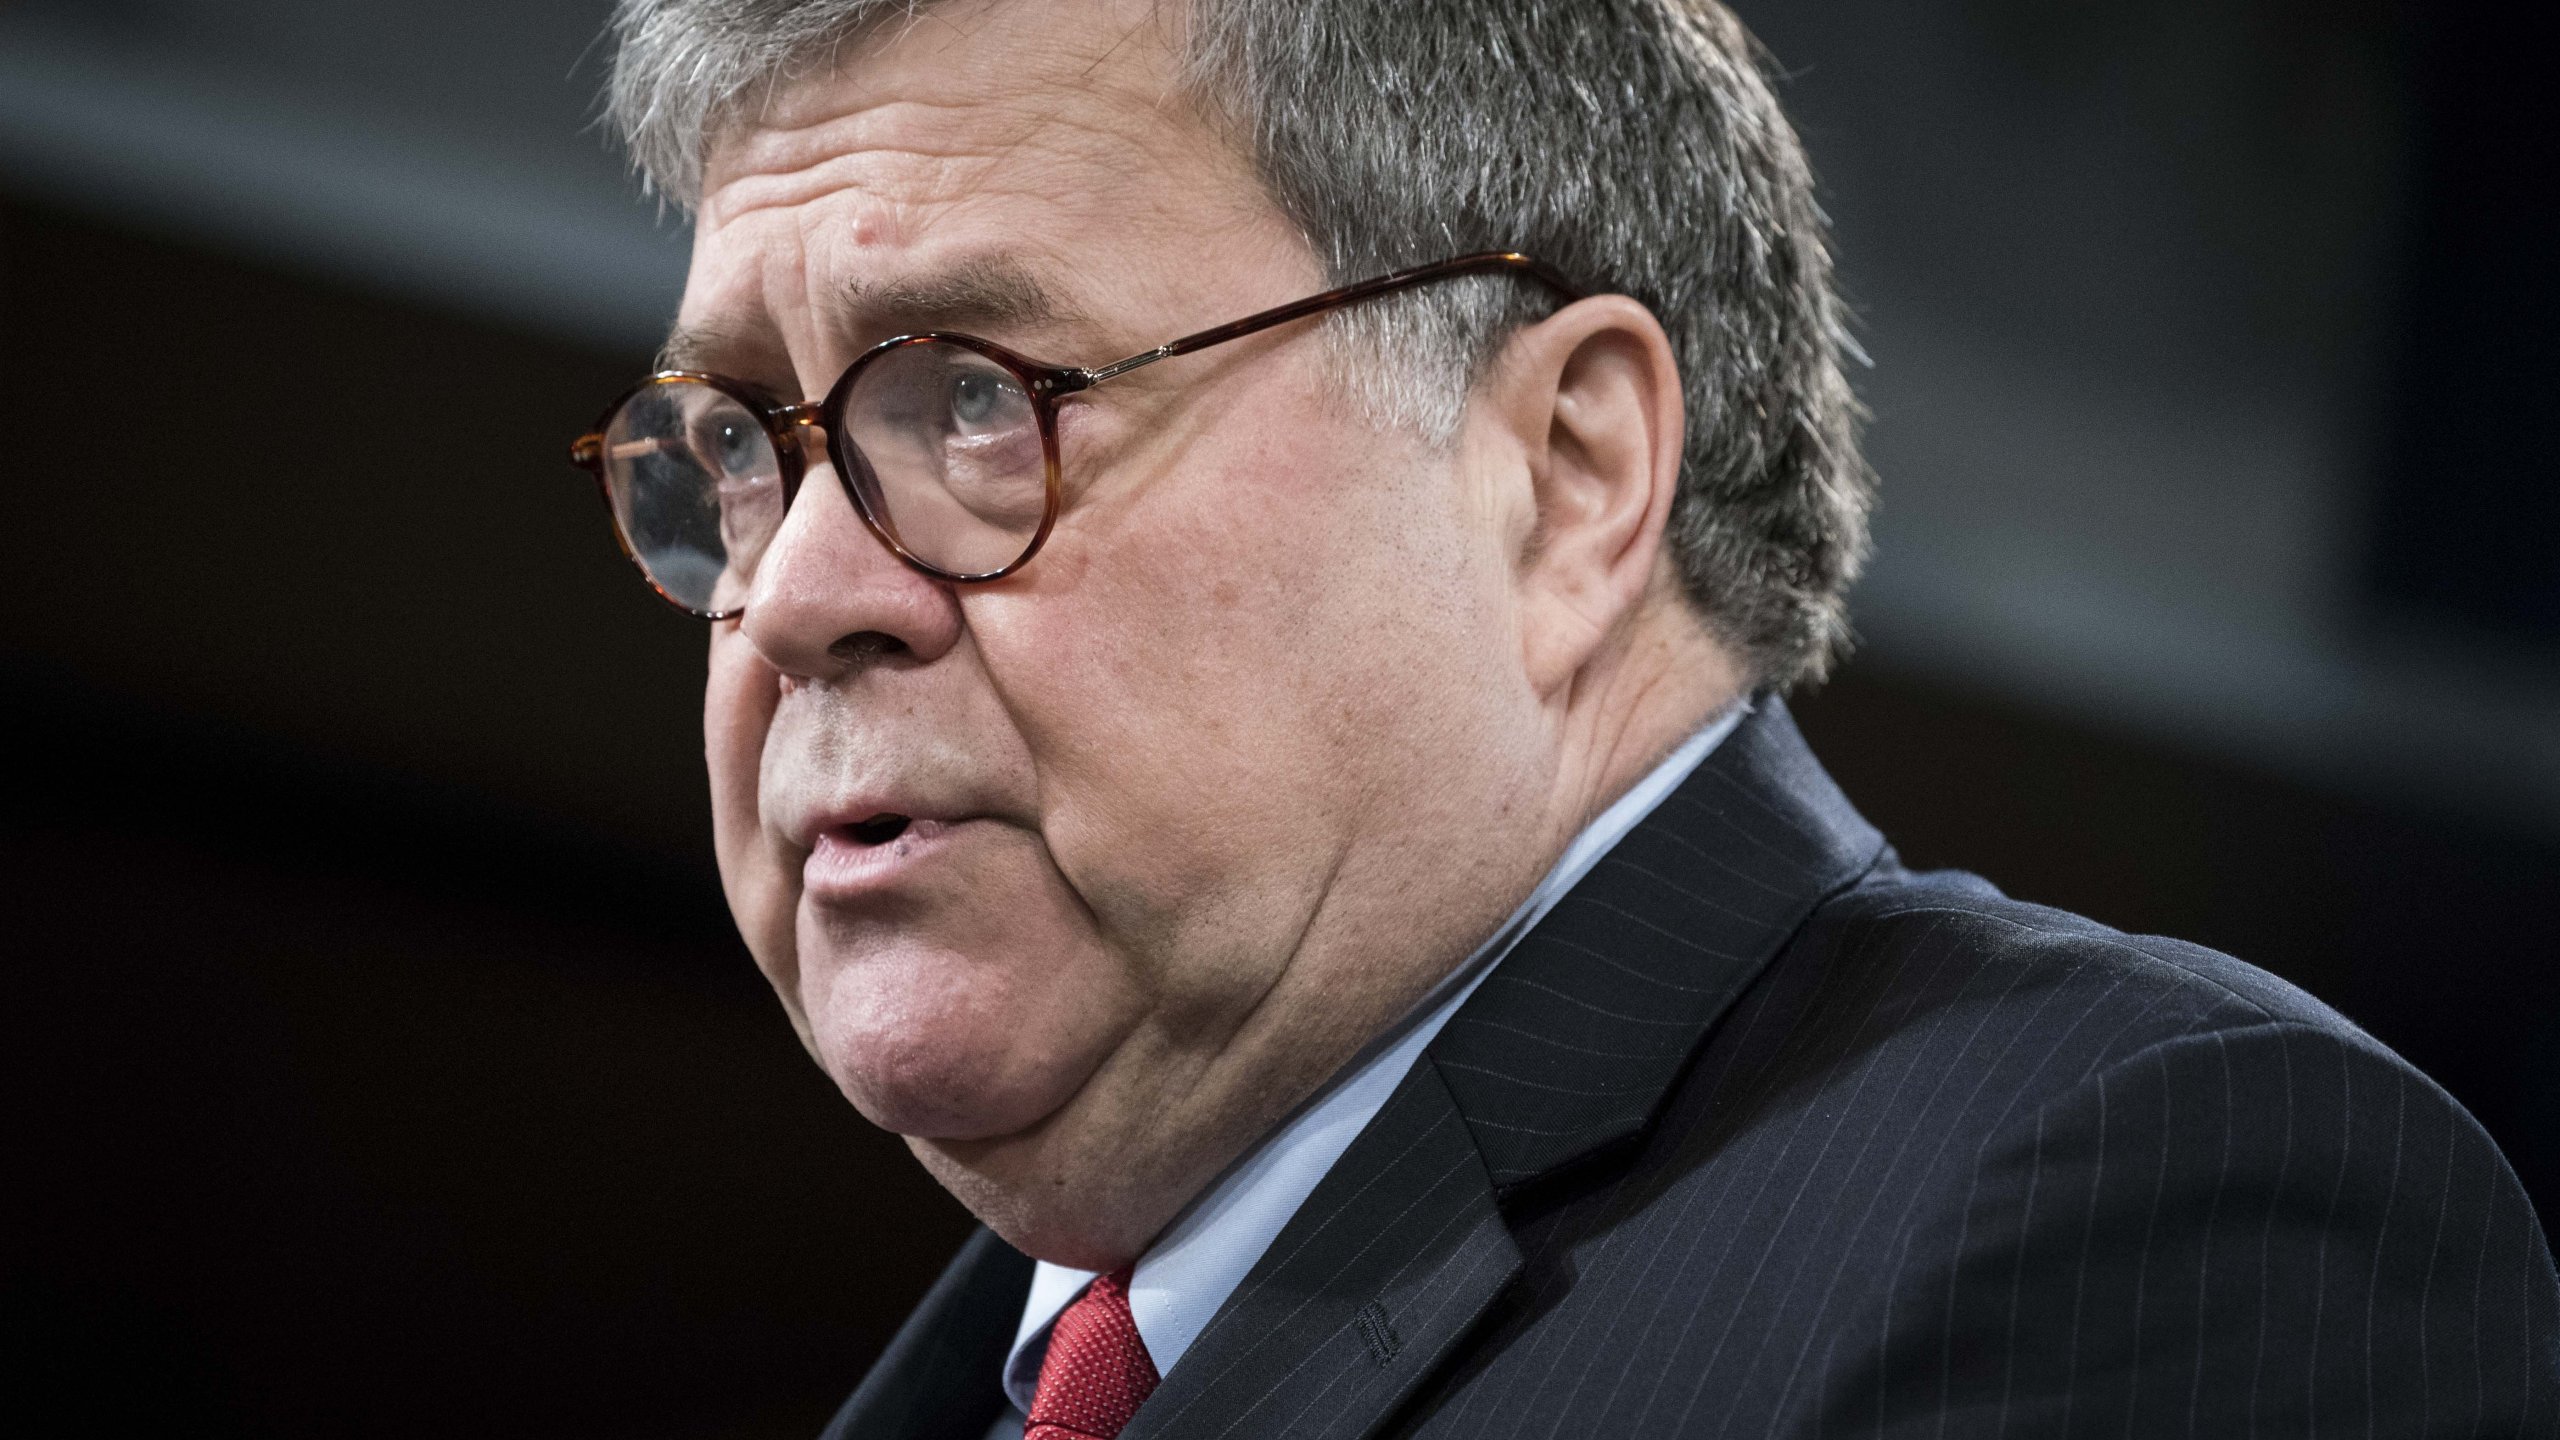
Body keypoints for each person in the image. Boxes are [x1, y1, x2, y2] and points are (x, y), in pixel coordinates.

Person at [566, 0, 2560, 1435]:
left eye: (978, 397)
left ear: (1563, 469)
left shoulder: (2135, 1211)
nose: (801, 592)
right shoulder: (1008, 1373)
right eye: (741, 443)